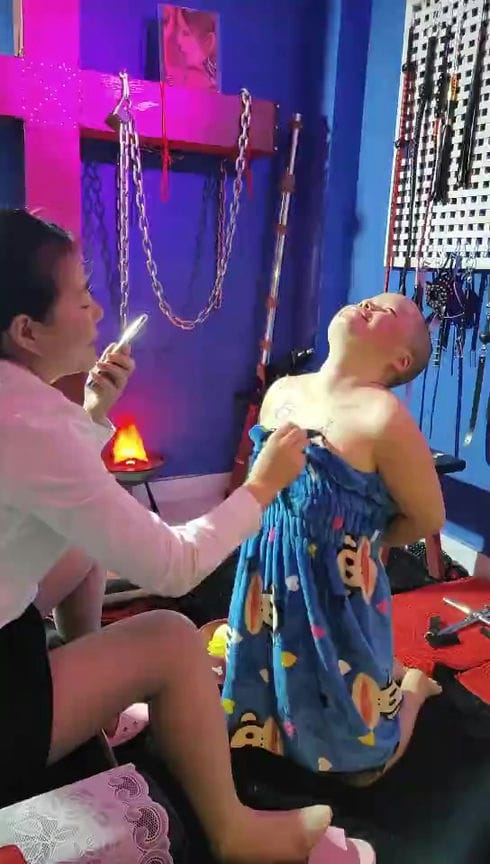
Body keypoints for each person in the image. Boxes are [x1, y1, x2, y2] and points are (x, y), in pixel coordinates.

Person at [0, 208, 334, 863]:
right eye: (82, 297)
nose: (98, 312)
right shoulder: (31, 422)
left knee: (86, 545)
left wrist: (92, 414)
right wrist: (261, 486)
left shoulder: (23, 407)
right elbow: (174, 568)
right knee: (173, 636)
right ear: (27, 330)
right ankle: (234, 831)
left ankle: (93, 700)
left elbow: (39, 493)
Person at [222, 292, 445, 786]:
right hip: (268, 576)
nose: (368, 304)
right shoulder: (282, 391)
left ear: (399, 360)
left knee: (360, 767)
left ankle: (411, 689)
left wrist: (367, 542)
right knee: (261, 724)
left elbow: (428, 515)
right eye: (370, 299)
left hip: (335, 597)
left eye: (387, 311)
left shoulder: (384, 418)